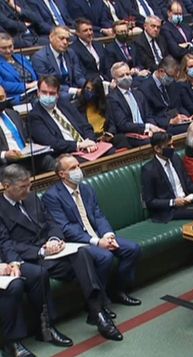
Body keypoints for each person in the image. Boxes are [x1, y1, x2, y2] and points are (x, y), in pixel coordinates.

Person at [0, 164, 123, 341]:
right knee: (41, 273)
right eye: (22, 187)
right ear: (6, 186)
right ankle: (48, 327)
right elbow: (7, 243)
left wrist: (54, 240)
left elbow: (51, 223)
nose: (28, 190)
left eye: (29, 185)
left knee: (82, 253)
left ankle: (97, 312)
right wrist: (41, 250)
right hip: (31, 258)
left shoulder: (32, 197)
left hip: (54, 251)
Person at [43, 154, 142, 305]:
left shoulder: (86, 188)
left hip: (97, 235)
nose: (78, 170)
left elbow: (98, 214)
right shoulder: (52, 196)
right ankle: (98, 303)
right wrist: (96, 242)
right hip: (77, 243)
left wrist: (108, 235)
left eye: (78, 166)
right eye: (73, 168)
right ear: (62, 174)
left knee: (133, 249)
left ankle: (118, 291)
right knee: (105, 257)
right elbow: (64, 228)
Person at [29, 76, 102, 157]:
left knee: (110, 151)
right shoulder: (35, 116)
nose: (48, 96)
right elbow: (51, 142)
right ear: (38, 92)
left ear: (58, 94)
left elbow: (85, 126)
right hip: (66, 154)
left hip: (87, 146)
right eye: (44, 92)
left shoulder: (65, 104)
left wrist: (90, 142)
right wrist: (79, 145)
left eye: (52, 93)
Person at [142, 132, 193, 222]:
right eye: (168, 146)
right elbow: (150, 201)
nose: (172, 148)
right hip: (169, 210)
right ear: (157, 149)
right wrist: (173, 202)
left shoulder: (175, 158)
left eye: (172, 144)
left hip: (187, 202)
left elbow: (188, 183)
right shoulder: (149, 170)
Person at [106, 62, 164, 147]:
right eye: (121, 76)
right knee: (151, 142)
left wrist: (151, 129)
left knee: (165, 135)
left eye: (128, 74)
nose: (126, 77)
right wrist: (146, 127)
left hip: (146, 131)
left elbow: (149, 116)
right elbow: (123, 125)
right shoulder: (112, 98)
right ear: (114, 80)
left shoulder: (138, 93)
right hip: (129, 135)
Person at [0, 84, 55, 174]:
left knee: (50, 161)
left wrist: (31, 146)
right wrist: (5, 155)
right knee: (17, 172)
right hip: (7, 163)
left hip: (26, 156)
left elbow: (26, 136)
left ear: (6, 96)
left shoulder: (13, 114)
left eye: (1, 98)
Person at [138, 56, 193, 134]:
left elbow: (178, 105)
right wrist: (169, 121)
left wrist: (186, 117)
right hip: (162, 126)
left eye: (175, 77)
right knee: (191, 129)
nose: (173, 79)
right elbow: (149, 116)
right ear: (161, 71)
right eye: (171, 76)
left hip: (177, 121)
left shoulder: (172, 83)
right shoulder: (144, 89)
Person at [31, 26, 86, 101]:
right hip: (54, 91)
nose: (65, 42)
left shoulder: (70, 53)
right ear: (51, 38)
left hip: (74, 88)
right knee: (65, 97)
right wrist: (74, 91)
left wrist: (87, 85)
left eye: (67, 39)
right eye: (61, 38)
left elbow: (78, 76)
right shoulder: (40, 57)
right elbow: (49, 83)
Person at [0, 33, 38, 104]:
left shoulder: (20, 57)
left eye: (10, 46)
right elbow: (3, 85)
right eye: (4, 48)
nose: (8, 50)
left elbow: (35, 73)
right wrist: (27, 86)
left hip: (34, 90)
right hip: (17, 96)